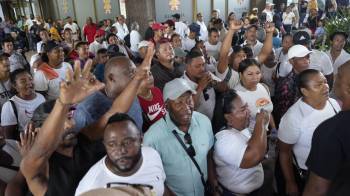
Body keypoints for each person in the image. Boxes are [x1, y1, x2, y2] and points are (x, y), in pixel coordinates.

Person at [19, 58, 151, 196]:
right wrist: (62, 103)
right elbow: (40, 149)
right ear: (41, 130)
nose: (70, 124)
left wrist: (137, 78)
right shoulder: (37, 169)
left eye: (69, 117)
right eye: (61, 122)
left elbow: (115, 111)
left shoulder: (85, 138)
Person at [144, 78, 216, 196]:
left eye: (189, 100)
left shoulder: (204, 122)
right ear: (166, 106)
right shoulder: (152, 138)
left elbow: (209, 154)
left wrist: (213, 181)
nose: (186, 107)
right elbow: (154, 178)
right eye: (179, 103)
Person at [277, 69, 340, 195]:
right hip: (309, 176)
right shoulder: (293, 117)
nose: (325, 87)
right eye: (318, 85)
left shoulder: (333, 104)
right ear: (304, 91)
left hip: (334, 171)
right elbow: (284, 152)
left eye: (325, 82)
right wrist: (290, 182)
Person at [75, 113, 166, 196]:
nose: (121, 150)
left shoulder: (152, 155)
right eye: (112, 144)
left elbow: (161, 188)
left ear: (141, 140)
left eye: (127, 142)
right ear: (105, 146)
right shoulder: (91, 187)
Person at [74, 44, 155, 134]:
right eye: (131, 72)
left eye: (136, 71)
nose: (136, 76)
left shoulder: (133, 95)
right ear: (111, 78)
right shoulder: (87, 108)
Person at [303, 61, 350, 196]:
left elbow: (316, 189)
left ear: (347, 88)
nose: (333, 79)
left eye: (339, 76)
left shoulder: (331, 131)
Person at [214, 89, 270, 195]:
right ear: (228, 117)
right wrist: (261, 122)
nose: (248, 111)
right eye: (243, 109)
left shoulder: (242, 129)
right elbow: (255, 156)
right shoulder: (223, 139)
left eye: (247, 106)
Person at [1, 69, 45, 139]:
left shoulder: (41, 97)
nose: (29, 83)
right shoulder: (9, 106)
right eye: (23, 81)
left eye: (30, 79)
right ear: (15, 85)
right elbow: (7, 136)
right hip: (26, 145)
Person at [273, 44, 312, 125]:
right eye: (301, 58)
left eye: (307, 57)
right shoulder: (286, 85)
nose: (306, 61)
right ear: (291, 61)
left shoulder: (309, 78)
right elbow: (282, 114)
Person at [234, 58, 275, 132]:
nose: (255, 77)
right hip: (250, 137)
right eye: (250, 74)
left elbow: (268, 110)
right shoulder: (236, 95)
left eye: (258, 73)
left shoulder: (263, 87)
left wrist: (273, 128)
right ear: (241, 74)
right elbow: (236, 124)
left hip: (266, 133)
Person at [182, 50, 224, 120]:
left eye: (203, 64)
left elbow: (225, 88)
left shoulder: (207, 75)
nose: (202, 69)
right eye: (197, 66)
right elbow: (188, 108)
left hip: (214, 120)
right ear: (187, 66)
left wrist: (214, 83)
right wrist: (200, 87)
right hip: (198, 126)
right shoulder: (181, 84)